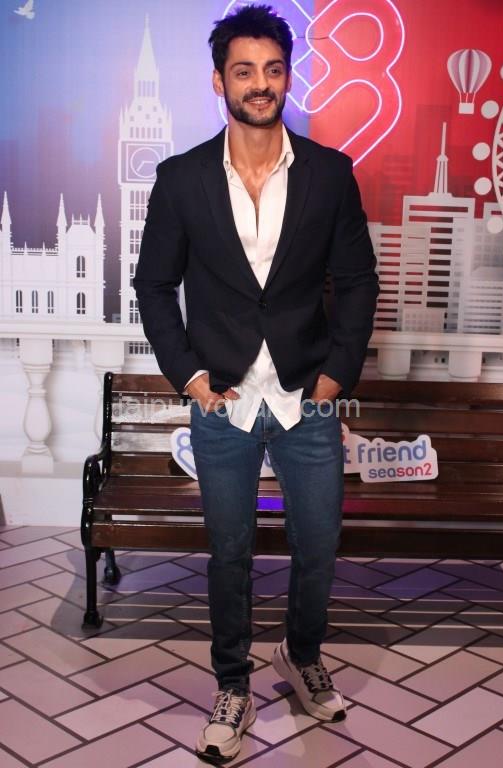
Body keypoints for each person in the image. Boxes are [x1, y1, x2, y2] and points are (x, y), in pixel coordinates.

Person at [134, 4, 379, 763]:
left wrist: (336, 376)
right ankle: (232, 684)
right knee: (230, 551)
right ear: (219, 81)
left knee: (319, 546)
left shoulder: (330, 174)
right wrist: (190, 377)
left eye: (273, 69)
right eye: (244, 70)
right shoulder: (180, 179)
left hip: (308, 396)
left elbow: (358, 282)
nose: (260, 83)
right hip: (224, 401)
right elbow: (153, 286)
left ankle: (300, 656)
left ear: (287, 77)